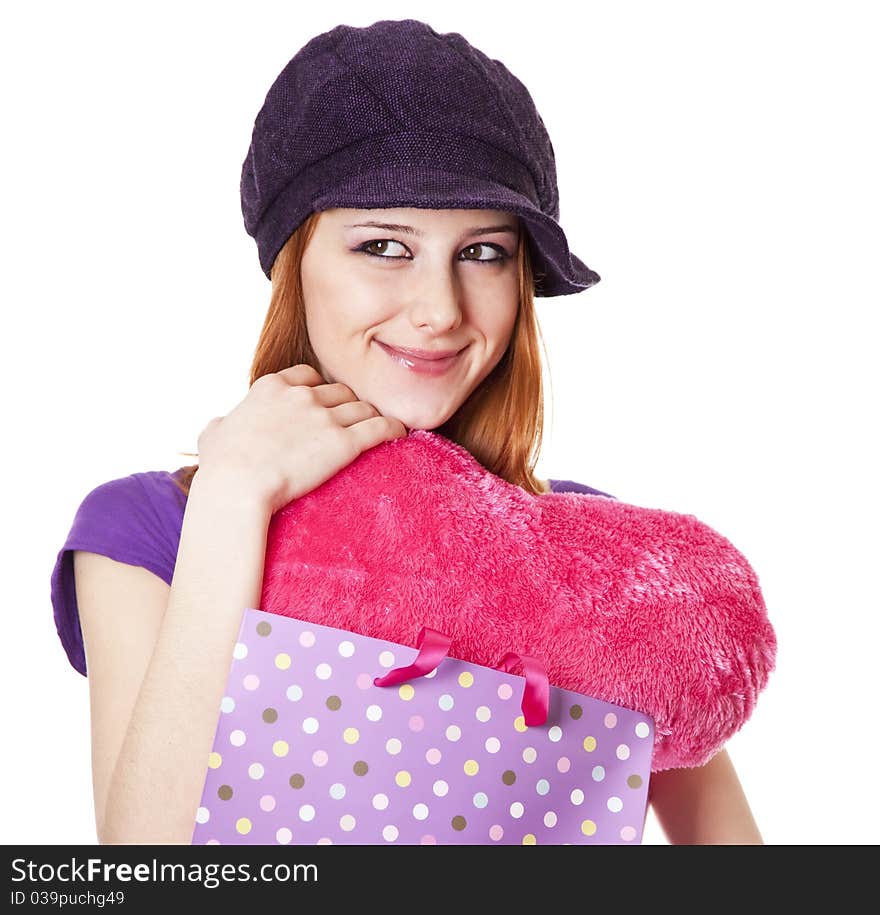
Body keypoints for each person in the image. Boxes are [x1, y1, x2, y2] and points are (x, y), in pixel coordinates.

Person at [51, 18, 763, 845]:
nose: (439, 310)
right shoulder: (150, 529)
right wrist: (235, 496)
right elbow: (143, 867)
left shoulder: (587, 553)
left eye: (485, 252)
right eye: (384, 245)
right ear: (296, 263)